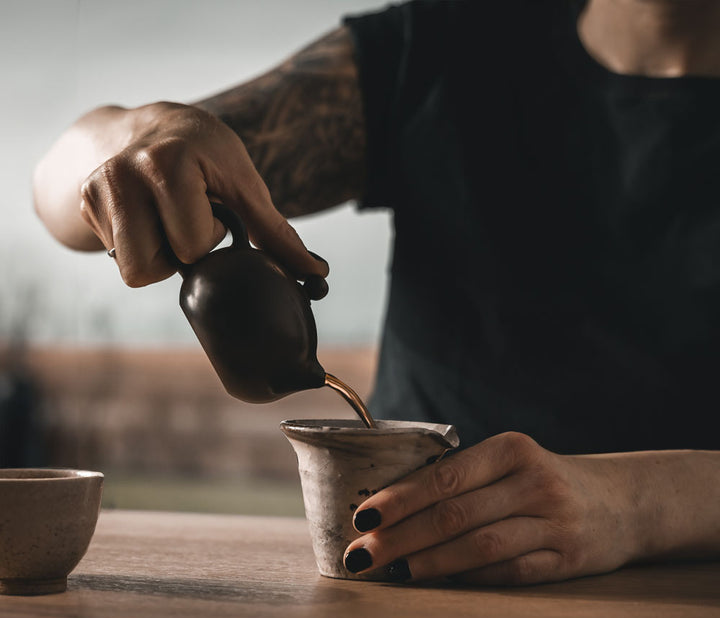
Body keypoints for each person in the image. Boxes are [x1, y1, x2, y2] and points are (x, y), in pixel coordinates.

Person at [33, 0, 720, 586]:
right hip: (402, 612)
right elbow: (61, 192)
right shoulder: (447, 50)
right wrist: (133, 139)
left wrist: (637, 503)